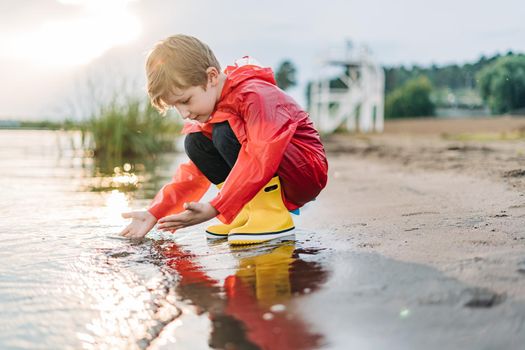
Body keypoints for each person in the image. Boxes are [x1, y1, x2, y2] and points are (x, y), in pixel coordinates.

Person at [120, 34, 328, 245]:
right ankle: (245, 213)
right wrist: (155, 211)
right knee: (195, 141)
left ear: (211, 77)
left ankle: (271, 214)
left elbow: (260, 154)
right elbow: (194, 173)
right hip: (270, 165)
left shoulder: (256, 95)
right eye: (176, 107)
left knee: (224, 132)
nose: (183, 113)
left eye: (185, 101)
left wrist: (216, 207)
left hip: (305, 171)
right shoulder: (217, 109)